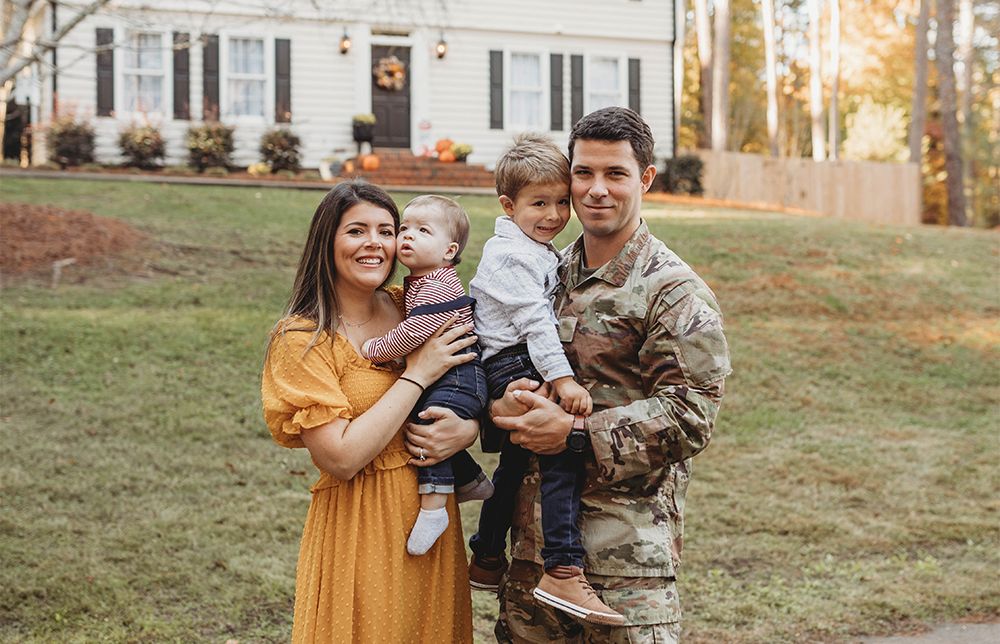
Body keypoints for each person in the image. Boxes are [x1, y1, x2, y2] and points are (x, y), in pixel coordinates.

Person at [489, 107, 733, 642]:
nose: (597, 190)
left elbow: (690, 415)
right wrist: (498, 407)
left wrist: (575, 433)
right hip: (533, 562)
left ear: (645, 178)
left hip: (624, 568)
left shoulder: (673, 291)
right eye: (584, 173)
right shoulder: (540, 275)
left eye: (615, 174)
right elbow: (499, 358)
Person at [261, 181, 478, 643]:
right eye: (356, 231)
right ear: (328, 241)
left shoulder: (413, 306)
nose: (375, 244)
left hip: (429, 516)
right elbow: (339, 457)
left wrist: (467, 427)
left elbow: (467, 374)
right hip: (358, 527)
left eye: (386, 230)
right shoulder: (303, 339)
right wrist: (416, 374)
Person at [465, 134, 624, 627]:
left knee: (514, 464)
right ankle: (562, 566)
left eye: (560, 202)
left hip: (511, 360)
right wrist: (563, 380)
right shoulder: (513, 256)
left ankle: (487, 555)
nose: (554, 214)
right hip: (516, 362)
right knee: (562, 452)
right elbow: (536, 322)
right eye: (539, 204)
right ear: (508, 205)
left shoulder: (531, 245)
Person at [360, 194, 493, 556]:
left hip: (461, 375)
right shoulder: (422, 280)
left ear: (449, 250)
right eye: (404, 228)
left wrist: (376, 348)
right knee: (427, 427)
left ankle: (435, 508)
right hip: (452, 372)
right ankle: (468, 479)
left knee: (426, 423)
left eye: (422, 230)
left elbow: (415, 332)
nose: (407, 237)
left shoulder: (436, 285)